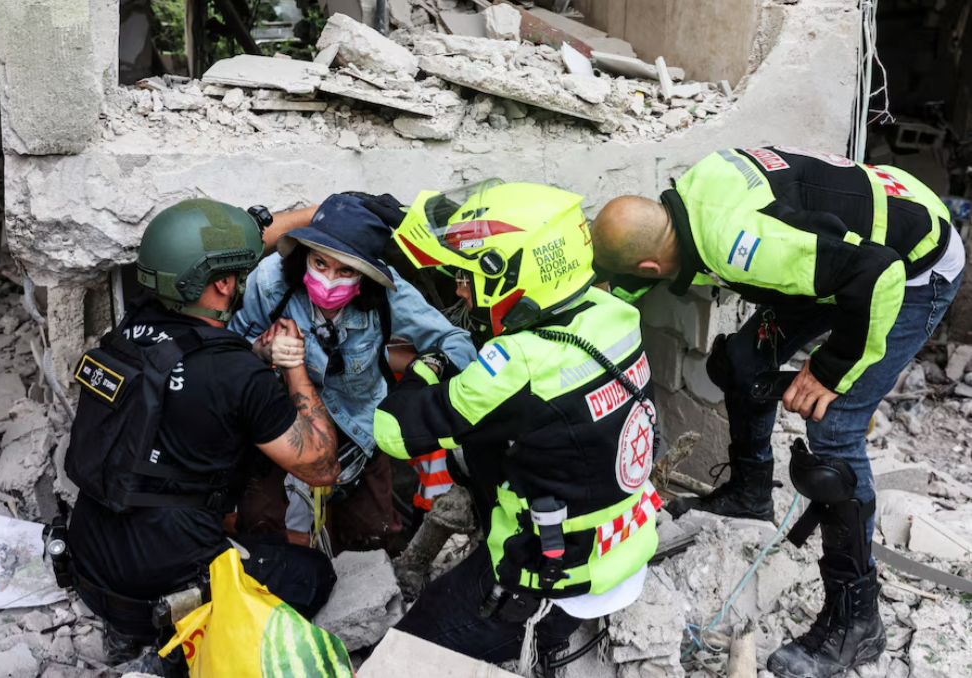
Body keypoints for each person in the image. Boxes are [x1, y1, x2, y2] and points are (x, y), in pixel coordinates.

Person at [591, 146, 965, 678]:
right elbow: (826, 252)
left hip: (910, 267)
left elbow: (875, 273)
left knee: (832, 433)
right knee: (743, 362)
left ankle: (857, 622)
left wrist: (830, 369)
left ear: (653, 264)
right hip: (850, 250)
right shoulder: (695, 190)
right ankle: (749, 494)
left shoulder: (741, 246)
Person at [371, 179, 661, 667]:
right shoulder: (613, 314)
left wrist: (429, 367)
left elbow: (394, 431)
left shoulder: (516, 366)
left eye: (467, 276)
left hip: (552, 578)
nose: (461, 287)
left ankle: (535, 635)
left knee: (404, 653)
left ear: (508, 274)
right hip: (625, 539)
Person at [65, 199, 341, 672]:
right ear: (221, 283)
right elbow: (321, 467)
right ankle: (172, 658)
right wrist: (294, 367)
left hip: (89, 567)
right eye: (238, 271)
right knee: (311, 575)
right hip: (160, 579)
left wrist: (327, 210)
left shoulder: (132, 326)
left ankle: (126, 631)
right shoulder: (235, 374)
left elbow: (196, 385)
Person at [229, 193, 476, 554]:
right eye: (320, 263)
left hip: (359, 432)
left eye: (345, 271)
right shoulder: (271, 282)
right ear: (304, 256)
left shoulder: (390, 297)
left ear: (365, 277)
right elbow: (230, 349)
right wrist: (261, 350)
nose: (329, 280)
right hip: (281, 430)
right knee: (266, 534)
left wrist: (424, 376)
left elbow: (457, 342)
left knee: (374, 540)